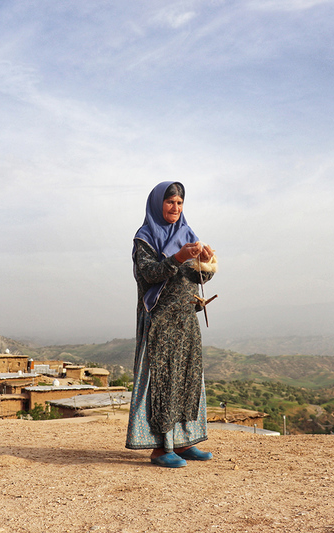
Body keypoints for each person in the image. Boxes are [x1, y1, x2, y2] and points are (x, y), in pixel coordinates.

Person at [125, 181, 217, 468]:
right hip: (159, 321)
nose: (175, 208)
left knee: (186, 377)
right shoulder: (144, 239)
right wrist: (177, 257)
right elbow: (148, 275)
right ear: (157, 204)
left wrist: (205, 262)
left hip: (185, 320)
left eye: (179, 203)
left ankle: (184, 442)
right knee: (162, 381)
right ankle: (159, 449)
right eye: (170, 202)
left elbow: (197, 279)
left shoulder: (188, 234)